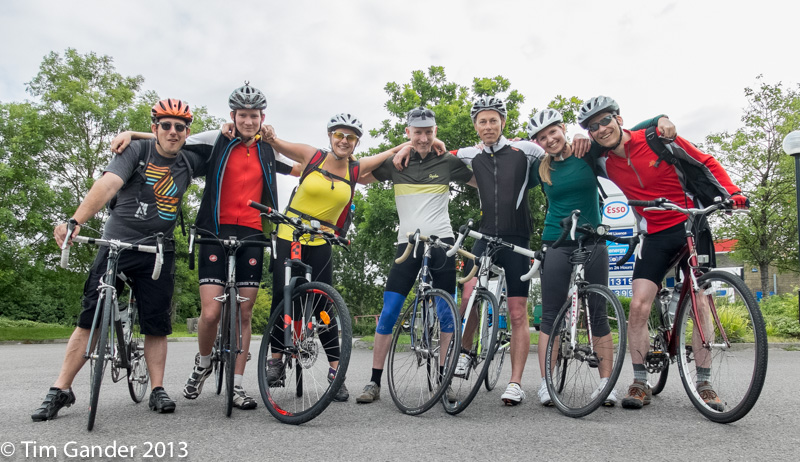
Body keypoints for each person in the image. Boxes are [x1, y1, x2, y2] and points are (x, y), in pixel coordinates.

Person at [112, 82, 300, 411]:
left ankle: (238, 386)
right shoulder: (218, 140)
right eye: (243, 115)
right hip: (214, 230)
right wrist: (132, 133)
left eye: (254, 116)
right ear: (233, 115)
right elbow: (173, 138)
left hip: (253, 234)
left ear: (261, 117)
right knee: (211, 312)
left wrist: (281, 142)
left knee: (244, 312)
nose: (248, 121)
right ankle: (202, 363)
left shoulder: (268, 150)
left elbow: (301, 166)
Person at [32, 99, 202, 420]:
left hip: (157, 252)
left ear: (186, 131)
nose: (172, 131)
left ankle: (157, 389)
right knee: (89, 318)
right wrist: (75, 220)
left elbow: (219, 144)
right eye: (165, 125)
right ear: (155, 128)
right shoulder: (136, 152)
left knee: (156, 325)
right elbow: (109, 184)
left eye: (180, 127)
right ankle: (61, 389)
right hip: (117, 246)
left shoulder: (190, 160)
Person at [577, 95, 747, 410]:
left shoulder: (657, 139)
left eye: (604, 120)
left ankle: (704, 383)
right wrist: (575, 138)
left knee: (699, 302)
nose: (600, 129)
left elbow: (706, 161)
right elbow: (563, 151)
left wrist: (732, 192)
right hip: (654, 234)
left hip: (690, 224)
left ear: (619, 119)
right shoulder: (600, 158)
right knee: (639, 306)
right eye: (591, 127)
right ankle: (640, 382)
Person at [395, 96, 544, 405]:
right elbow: (431, 149)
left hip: (518, 238)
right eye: (481, 121)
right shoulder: (467, 154)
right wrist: (406, 147)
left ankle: (515, 383)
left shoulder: (526, 150)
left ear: (502, 121)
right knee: (467, 298)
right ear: (475, 125)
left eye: (493, 120)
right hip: (484, 236)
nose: (487, 126)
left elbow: (557, 152)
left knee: (517, 313)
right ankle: (465, 353)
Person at [527, 108, 674, 407]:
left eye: (553, 132)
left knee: (598, 312)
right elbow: (509, 154)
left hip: (592, 239)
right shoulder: (539, 168)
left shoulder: (587, 152)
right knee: (551, 315)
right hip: (556, 241)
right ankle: (546, 382)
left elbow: (625, 132)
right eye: (542, 138)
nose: (549, 139)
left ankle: (606, 383)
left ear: (563, 129)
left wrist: (660, 119)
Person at [261, 113, 413, 402]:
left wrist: (408, 146)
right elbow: (276, 143)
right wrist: (267, 131)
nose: (344, 141)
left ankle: (335, 373)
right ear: (330, 136)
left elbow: (391, 152)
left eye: (351, 137)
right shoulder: (313, 156)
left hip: (322, 239)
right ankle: (276, 360)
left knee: (324, 307)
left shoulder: (355, 168)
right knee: (284, 298)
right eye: (339, 135)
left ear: (356, 142)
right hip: (289, 234)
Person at [353, 106, 475, 404]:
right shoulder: (398, 162)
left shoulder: (448, 161)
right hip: (407, 244)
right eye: (417, 133)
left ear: (436, 132)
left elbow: (482, 179)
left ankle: (443, 381)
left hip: (443, 244)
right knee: (390, 311)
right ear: (408, 132)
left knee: (447, 314)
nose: (423, 138)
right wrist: (397, 149)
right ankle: (374, 382)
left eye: (428, 132)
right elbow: (360, 175)